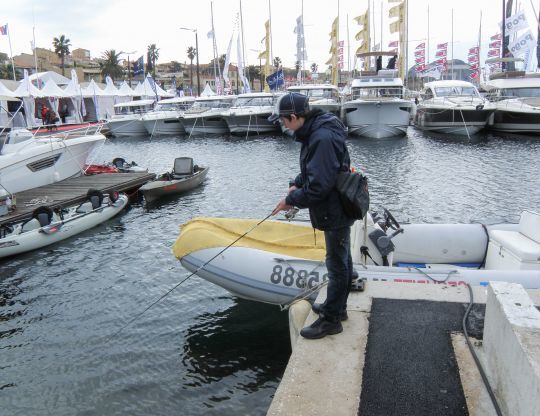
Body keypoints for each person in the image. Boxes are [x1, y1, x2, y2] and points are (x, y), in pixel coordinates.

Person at [269, 92, 354, 340]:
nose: (283, 125)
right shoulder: (316, 129)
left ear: (295, 117)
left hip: (335, 209)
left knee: (337, 264)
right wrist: (296, 183)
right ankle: (338, 307)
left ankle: (331, 320)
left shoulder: (321, 137)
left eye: (284, 120)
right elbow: (316, 169)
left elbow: (319, 187)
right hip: (335, 207)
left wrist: (289, 200)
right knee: (341, 259)